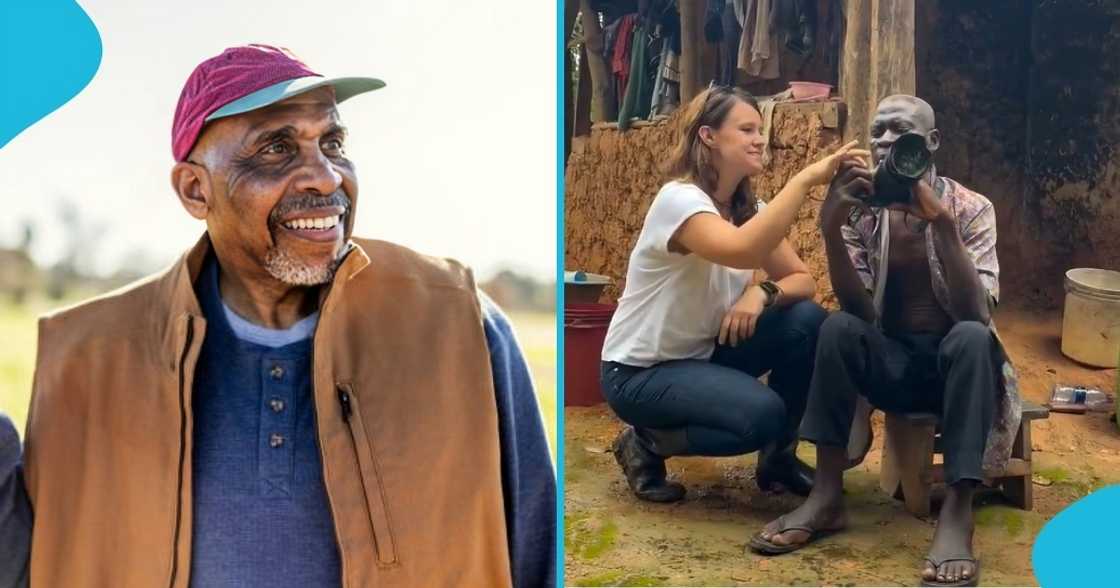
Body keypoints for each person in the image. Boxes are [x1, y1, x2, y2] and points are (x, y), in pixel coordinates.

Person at [11, 44, 555, 588]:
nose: (324, 177)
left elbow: (536, 546)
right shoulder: (88, 358)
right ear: (195, 190)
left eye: (333, 143)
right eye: (275, 149)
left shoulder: (458, 324)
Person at [750, 95, 1022, 588]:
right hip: (891, 364)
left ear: (931, 143)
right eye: (877, 132)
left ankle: (957, 515)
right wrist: (832, 228)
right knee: (835, 326)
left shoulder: (969, 207)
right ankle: (826, 495)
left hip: (956, 374)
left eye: (901, 130)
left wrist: (941, 225)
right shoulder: (862, 210)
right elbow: (860, 315)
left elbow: (976, 312)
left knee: (971, 338)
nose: (885, 141)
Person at [599, 85, 868, 503]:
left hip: (703, 355)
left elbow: (802, 280)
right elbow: (741, 249)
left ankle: (778, 460)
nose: (759, 138)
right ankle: (646, 442)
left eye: (759, 129)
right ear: (708, 136)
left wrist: (760, 292)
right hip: (639, 374)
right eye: (746, 129)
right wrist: (805, 180)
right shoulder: (679, 202)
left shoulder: (747, 208)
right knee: (761, 415)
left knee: (809, 320)